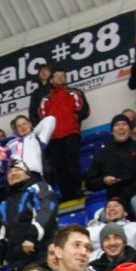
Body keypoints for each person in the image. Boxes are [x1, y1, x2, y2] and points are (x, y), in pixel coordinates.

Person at [0, 158, 58, 271]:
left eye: (18, 170)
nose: (13, 173)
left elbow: (47, 211)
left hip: (42, 261)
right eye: (10, 172)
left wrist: (32, 236)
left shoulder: (40, 188)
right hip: (17, 268)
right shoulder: (4, 205)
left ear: (27, 174)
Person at [86, 114, 136, 228]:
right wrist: (104, 180)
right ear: (112, 130)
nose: (121, 128)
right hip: (117, 198)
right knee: (103, 217)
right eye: (117, 125)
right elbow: (89, 183)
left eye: (124, 124)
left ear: (130, 129)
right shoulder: (102, 153)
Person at [38, 67, 90, 200]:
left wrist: (73, 119)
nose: (60, 78)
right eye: (57, 76)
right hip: (54, 138)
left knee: (72, 163)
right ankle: (66, 195)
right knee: (59, 167)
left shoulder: (74, 93)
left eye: (63, 76)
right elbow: (41, 118)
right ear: (51, 80)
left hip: (71, 133)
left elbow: (84, 110)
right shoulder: (45, 99)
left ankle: (77, 191)